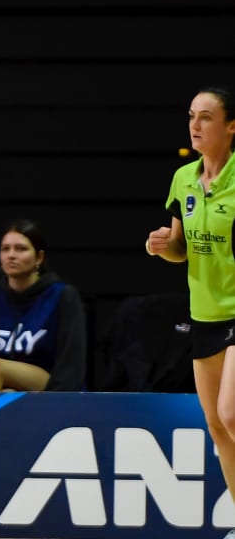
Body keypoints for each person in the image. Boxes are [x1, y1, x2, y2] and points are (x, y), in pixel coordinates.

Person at [146, 85, 235, 539]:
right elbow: (181, 248)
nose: (195, 126)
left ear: (231, 126)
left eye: (206, 117)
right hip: (204, 313)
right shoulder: (183, 178)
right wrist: (163, 247)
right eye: (191, 117)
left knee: (233, 414)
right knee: (218, 427)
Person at [0, 219, 87, 392]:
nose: (11, 255)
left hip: (46, 384)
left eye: (21, 249)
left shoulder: (62, 295)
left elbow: (70, 364)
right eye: (5, 249)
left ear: (39, 257)